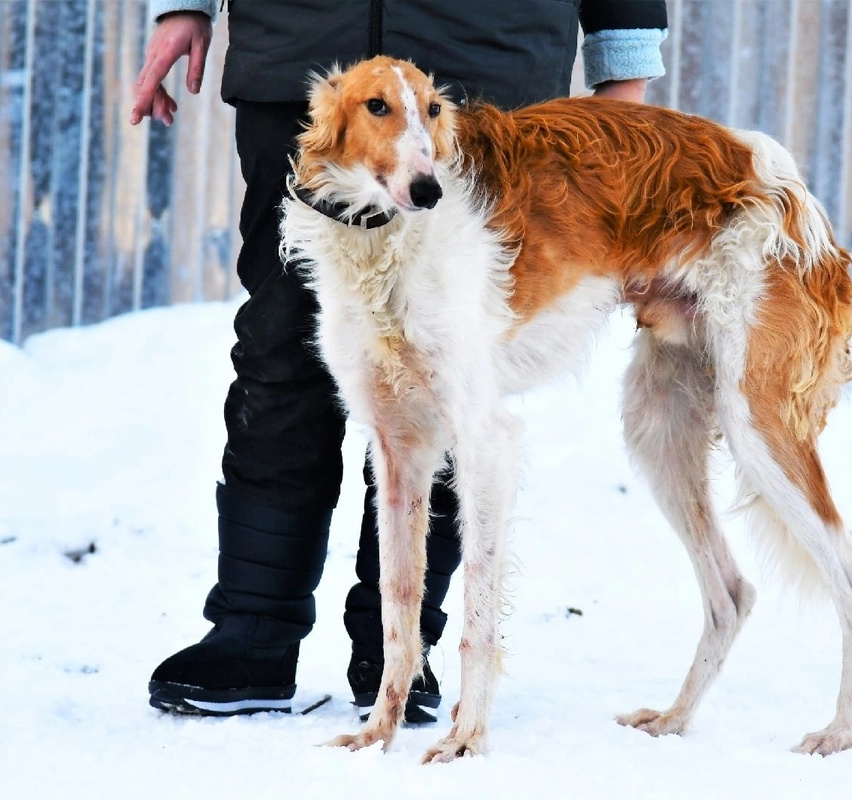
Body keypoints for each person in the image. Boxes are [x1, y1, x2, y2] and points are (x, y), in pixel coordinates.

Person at [130, 0, 667, 721]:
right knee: (279, 347)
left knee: (449, 377)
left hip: (486, 72)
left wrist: (623, 74)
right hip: (303, 59)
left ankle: (400, 649)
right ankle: (251, 634)